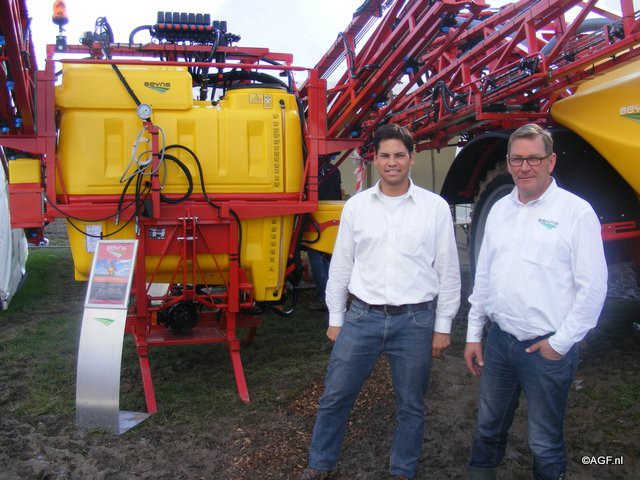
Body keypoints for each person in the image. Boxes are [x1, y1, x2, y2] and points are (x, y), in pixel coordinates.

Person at [299, 124, 461, 480]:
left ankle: (403, 470)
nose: (392, 162)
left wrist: (443, 326)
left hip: (415, 321)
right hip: (362, 317)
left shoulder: (434, 208)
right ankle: (320, 464)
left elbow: (448, 270)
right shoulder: (357, 207)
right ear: (375, 159)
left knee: (411, 404)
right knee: (335, 395)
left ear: (412, 157)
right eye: (385, 155)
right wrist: (336, 317)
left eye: (399, 155)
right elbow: (341, 265)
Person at [464, 124, 608, 480]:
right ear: (508, 163)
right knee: (487, 425)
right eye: (517, 159)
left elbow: (593, 288)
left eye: (534, 158)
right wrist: (473, 334)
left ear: (551, 161)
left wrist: (559, 344)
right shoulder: (500, 209)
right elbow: (484, 276)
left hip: (545, 350)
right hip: (500, 343)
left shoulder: (576, 213)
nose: (524, 167)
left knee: (543, 440)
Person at [307, 158, 342, 311]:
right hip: (333, 216)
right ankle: (332, 295)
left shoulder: (311, 172)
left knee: (315, 254)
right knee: (329, 256)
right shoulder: (335, 171)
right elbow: (338, 195)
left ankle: (324, 295)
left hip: (316, 216)